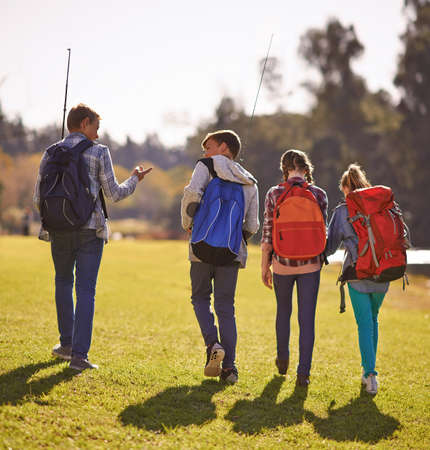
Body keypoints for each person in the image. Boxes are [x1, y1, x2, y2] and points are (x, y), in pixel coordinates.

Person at [33, 103, 152, 371]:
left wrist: (56, 219)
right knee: (85, 289)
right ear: (85, 123)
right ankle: (79, 357)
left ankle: (65, 345)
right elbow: (114, 194)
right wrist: (134, 179)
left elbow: (37, 198)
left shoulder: (50, 152)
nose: (97, 135)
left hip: (58, 229)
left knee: (62, 282)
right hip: (90, 229)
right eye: (96, 128)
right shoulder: (99, 152)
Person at [181, 130, 259, 384]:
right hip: (231, 252)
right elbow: (253, 224)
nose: (204, 153)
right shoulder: (250, 182)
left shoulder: (205, 166)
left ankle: (212, 344)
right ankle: (229, 369)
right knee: (226, 307)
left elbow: (192, 195)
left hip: (202, 246)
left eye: (209, 147)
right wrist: (235, 237)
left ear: (224, 147)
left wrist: (189, 225)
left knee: (200, 298)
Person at [261, 149, 328, 386]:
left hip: (282, 263)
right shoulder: (319, 194)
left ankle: (282, 358)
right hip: (311, 264)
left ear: (284, 168)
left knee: (283, 312)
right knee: (306, 318)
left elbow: (268, 233)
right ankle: (304, 373)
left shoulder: (274, 193)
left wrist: (264, 266)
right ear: (307, 168)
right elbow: (323, 233)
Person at [325, 164, 389, 395]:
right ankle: (368, 372)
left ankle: (370, 375)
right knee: (373, 319)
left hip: (358, 273)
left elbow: (329, 247)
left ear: (345, 188)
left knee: (364, 323)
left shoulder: (343, 211)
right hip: (384, 273)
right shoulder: (383, 206)